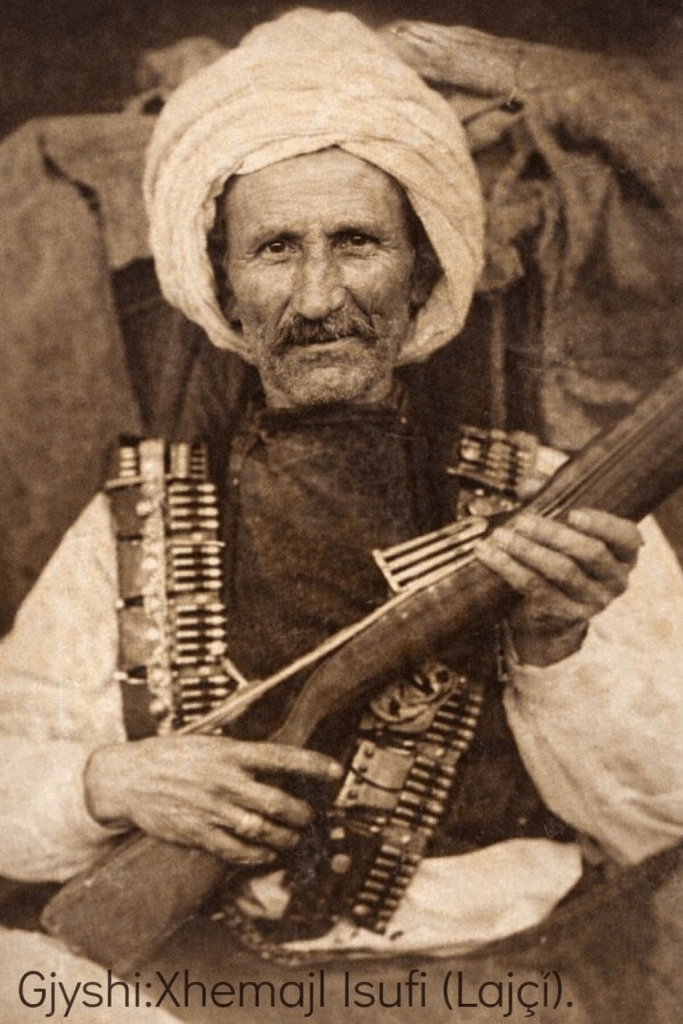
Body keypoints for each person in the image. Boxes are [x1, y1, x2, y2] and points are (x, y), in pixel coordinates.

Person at [1, 9, 682, 1021]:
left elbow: (663, 811)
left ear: (421, 271)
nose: (318, 297)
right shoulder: (138, 517)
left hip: (497, 977)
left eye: (356, 243)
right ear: (225, 288)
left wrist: (552, 647)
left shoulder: (547, 499)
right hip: (211, 985)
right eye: (275, 249)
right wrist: (112, 783)